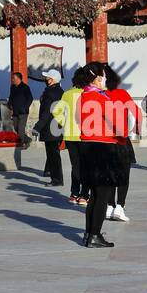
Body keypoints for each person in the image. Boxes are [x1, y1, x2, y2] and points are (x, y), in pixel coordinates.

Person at [78, 62, 122, 247]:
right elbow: (117, 123)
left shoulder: (83, 96)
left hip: (87, 145)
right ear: (96, 78)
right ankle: (95, 234)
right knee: (103, 194)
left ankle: (89, 233)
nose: (104, 79)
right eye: (102, 76)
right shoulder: (101, 98)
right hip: (103, 146)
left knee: (94, 194)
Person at [105, 65, 141, 222]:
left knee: (109, 175)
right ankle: (120, 206)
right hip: (121, 140)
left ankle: (109, 206)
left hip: (103, 141)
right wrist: (135, 130)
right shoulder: (122, 94)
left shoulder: (99, 95)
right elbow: (136, 113)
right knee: (123, 175)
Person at [55, 68, 89, 205]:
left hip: (70, 135)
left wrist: (64, 123)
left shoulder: (67, 94)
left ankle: (74, 193)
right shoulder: (89, 94)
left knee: (75, 165)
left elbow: (56, 111)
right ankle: (84, 195)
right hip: (85, 135)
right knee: (86, 166)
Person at [35, 70, 65, 186]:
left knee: (53, 155)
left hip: (50, 128)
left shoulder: (49, 93)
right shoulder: (61, 92)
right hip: (58, 126)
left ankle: (57, 179)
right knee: (54, 154)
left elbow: (47, 112)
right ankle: (53, 174)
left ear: (52, 80)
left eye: (47, 78)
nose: (46, 80)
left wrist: (37, 127)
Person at [8, 72, 33, 148]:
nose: (12, 80)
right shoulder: (12, 87)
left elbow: (30, 98)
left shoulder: (25, 87)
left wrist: (25, 108)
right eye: (12, 78)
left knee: (21, 128)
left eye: (14, 78)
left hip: (23, 112)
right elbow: (11, 97)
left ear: (18, 79)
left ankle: (22, 144)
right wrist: (9, 105)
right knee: (16, 128)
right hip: (15, 112)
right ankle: (27, 139)